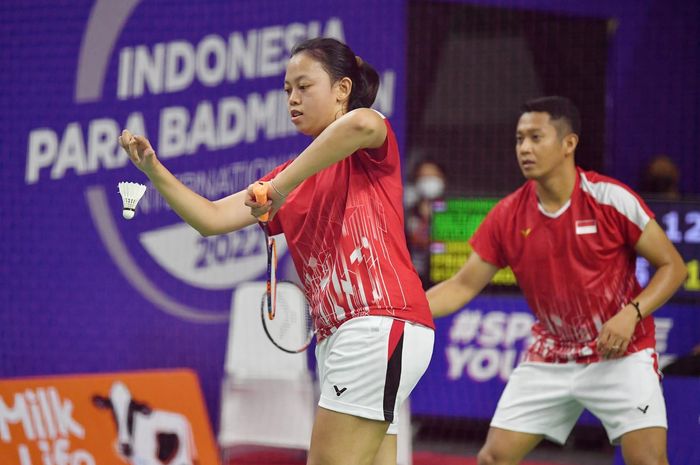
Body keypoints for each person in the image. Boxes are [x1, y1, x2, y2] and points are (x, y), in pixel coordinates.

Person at [119, 37, 435, 465]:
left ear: (342, 89)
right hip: (348, 336)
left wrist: (280, 188)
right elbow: (211, 219)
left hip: (376, 324)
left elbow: (361, 125)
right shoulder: (287, 176)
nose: (293, 98)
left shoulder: (367, 144)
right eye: (287, 89)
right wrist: (153, 169)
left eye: (304, 86)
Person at [427, 96, 687, 465]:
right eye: (519, 139)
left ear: (569, 144)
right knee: (493, 458)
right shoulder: (507, 215)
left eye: (536, 137)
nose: (524, 148)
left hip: (621, 354)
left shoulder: (610, 199)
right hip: (551, 354)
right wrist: (403, 311)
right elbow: (462, 285)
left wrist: (632, 313)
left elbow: (672, 267)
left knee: (648, 461)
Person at [405, 158, 448, 287]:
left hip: (441, 281)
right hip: (410, 280)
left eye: (433, 176)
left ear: (443, 179)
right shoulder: (406, 211)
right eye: (424, 177)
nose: (429, 182)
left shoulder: (451, 210)